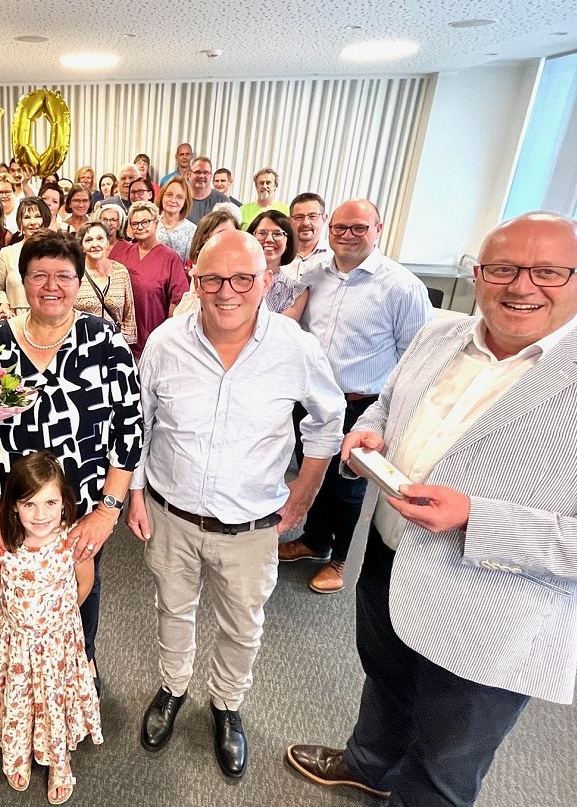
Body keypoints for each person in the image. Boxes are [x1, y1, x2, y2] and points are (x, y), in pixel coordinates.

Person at [285, 212, 577, 807]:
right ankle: (369, 764)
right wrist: (368, 435)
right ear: (479, 274)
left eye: (548, 271)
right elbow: (385, 407)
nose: (521, 286)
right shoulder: (440, 335)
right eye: (503, 268)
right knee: (385, 682)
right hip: (389, 559)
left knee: (445, 764)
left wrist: (478, 518)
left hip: (494, 609)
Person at [127, 230, 344, 780]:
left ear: (266, 281)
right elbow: (141, 423)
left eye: (243, 278)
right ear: (194, 282)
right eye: (212, 279)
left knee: (241, 625)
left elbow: (328, 419)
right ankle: (173, 688)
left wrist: (305, 494)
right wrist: (133, 493)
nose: (227, 292)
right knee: (173, 610)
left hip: (252, 526)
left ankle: (226, 706)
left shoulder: (295, 349)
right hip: (172, 514)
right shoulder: (165, 344)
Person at [0, 229, 143, 699]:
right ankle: (26, 678)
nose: (51, 285)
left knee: (81, 587)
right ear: (21, 280)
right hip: (17, 510)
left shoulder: (103, 340)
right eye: (38, 274)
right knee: (20, 593)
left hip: (82, 509)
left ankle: (79, 665)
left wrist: (108, 511)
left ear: (79, 281)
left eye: (63, 275)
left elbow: (129, 430)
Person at [283, 199, 432, 593]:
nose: (347, 235)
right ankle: (316, 541)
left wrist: (392, 415)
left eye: (358, 228)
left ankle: (345, 558)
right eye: (340, 228)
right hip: (314, 401)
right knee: (315, 473)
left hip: (362, 405)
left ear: (378, 230)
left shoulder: (402, 287)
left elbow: (417, 358)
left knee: (349, 487)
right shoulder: (314, 276)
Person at [0, 451, 102, 804]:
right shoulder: (2, 541)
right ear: (12, 506)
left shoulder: (72, 542)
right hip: (16, 642)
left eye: (50, 503)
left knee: (54, 702)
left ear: (65, 504)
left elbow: (84, 585)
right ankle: (18, 754)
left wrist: (56, 620)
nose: (40, 514)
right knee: (19, 699)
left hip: (58, 644)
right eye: (28, 504)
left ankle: (58, 764)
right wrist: (20, 618)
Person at [111, 200, 188, 357]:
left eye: (145, 222)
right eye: (135, 223)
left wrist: (166, 335)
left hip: (153, 335)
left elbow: (178, 299)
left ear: (156, 222)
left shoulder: (169, 258)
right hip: (121, 336)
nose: (140, 227)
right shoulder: (122, 252)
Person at [0, 196, 51, 320]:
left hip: (50, 321)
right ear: (20, 223)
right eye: (26, 217)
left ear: (45, 219)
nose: (33, 222)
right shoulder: (7, 254)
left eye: (37, 216)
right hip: (16, 322)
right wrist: (2, 307)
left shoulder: (58, 252)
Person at [74, 220, 136, 342]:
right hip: (82, 344)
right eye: (88, 240)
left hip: (114, 344)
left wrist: (125, 345)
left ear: (108, 243)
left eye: (100, 239)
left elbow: (129, 313)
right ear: (82, 246)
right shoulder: (74, 273)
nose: (94, 244)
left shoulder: (120, 271)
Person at [246, 210, 308, 320]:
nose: (269, 239)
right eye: (262, 233)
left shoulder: (296, 292)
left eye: (277, 234)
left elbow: (281, 332)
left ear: (287, 243)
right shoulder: (231, 279)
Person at [287, 191, 330, 279]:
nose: (306, 223)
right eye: (299, 217)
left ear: (324, 218)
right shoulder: (279, 254)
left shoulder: (333, 256)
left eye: (312, 216)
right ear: (290, 221)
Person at [155, 176, 197, 260]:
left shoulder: (192, 230)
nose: (173, 200)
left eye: (179, 197)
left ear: (185, 202)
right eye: (169, 195)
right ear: (162, 196)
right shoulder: (151, 223)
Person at [186, 157, 230, 223]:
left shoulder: (223, 201)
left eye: (206, 172)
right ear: (189, 175)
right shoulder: (180, 198)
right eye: (197, 172)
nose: (201, 176)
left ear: (211, 176)